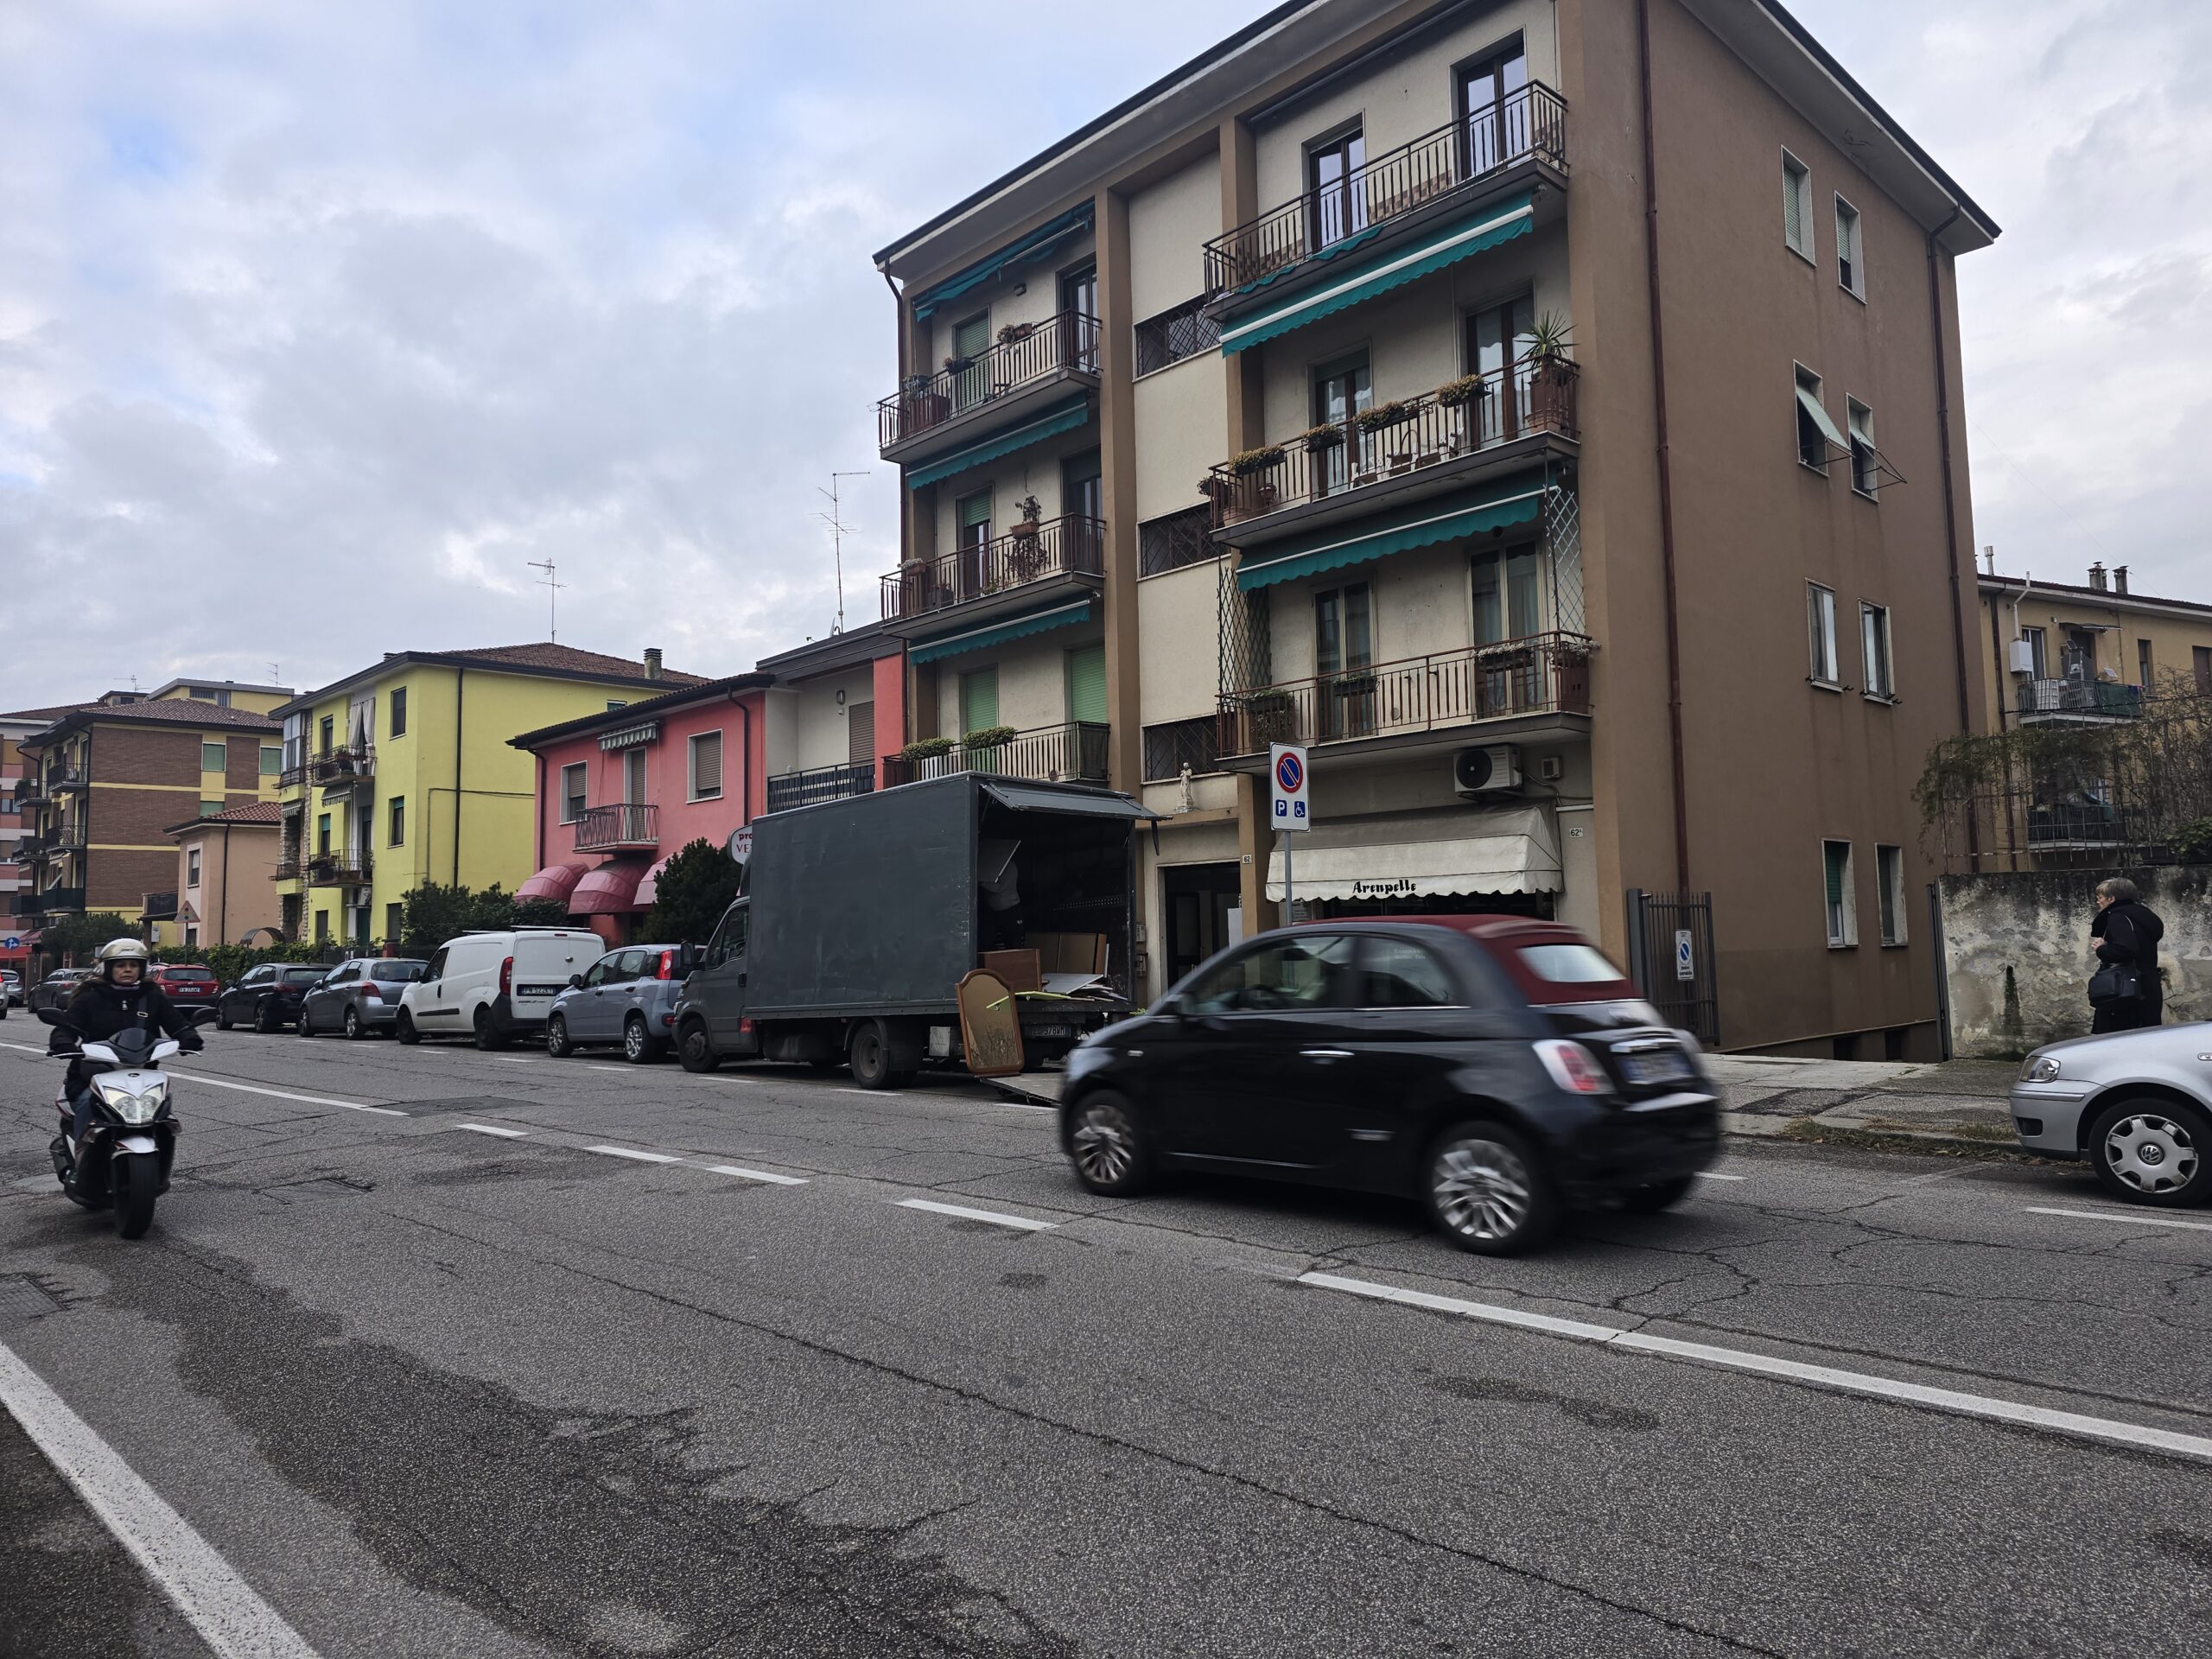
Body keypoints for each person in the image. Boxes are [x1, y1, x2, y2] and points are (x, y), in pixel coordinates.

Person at [48, 938, 201, 1151]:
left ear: (142, 968)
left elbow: (177, 1023)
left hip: (142, 1072)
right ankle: (82, 1157)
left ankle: (161, 1164)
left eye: (134, 965)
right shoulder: (90, 998)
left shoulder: (152, 997)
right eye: (121, 965)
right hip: (94, 1074)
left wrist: (189, 1036)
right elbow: (67, 1027)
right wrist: (63, 1042)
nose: (128, 969)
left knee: (164, 1117)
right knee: (86, 1103)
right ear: (108, 968)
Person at [2089, 877, 2164, 1033]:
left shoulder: (2118, 917)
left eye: (2100, 897)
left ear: (2111, 899)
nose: (2098, 902)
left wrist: (2101, 949)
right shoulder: (2143, 916)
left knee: (2117, 1039)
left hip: (2124, 990)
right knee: (2145, 1036)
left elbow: (2125, 949)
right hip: (2147, 987)